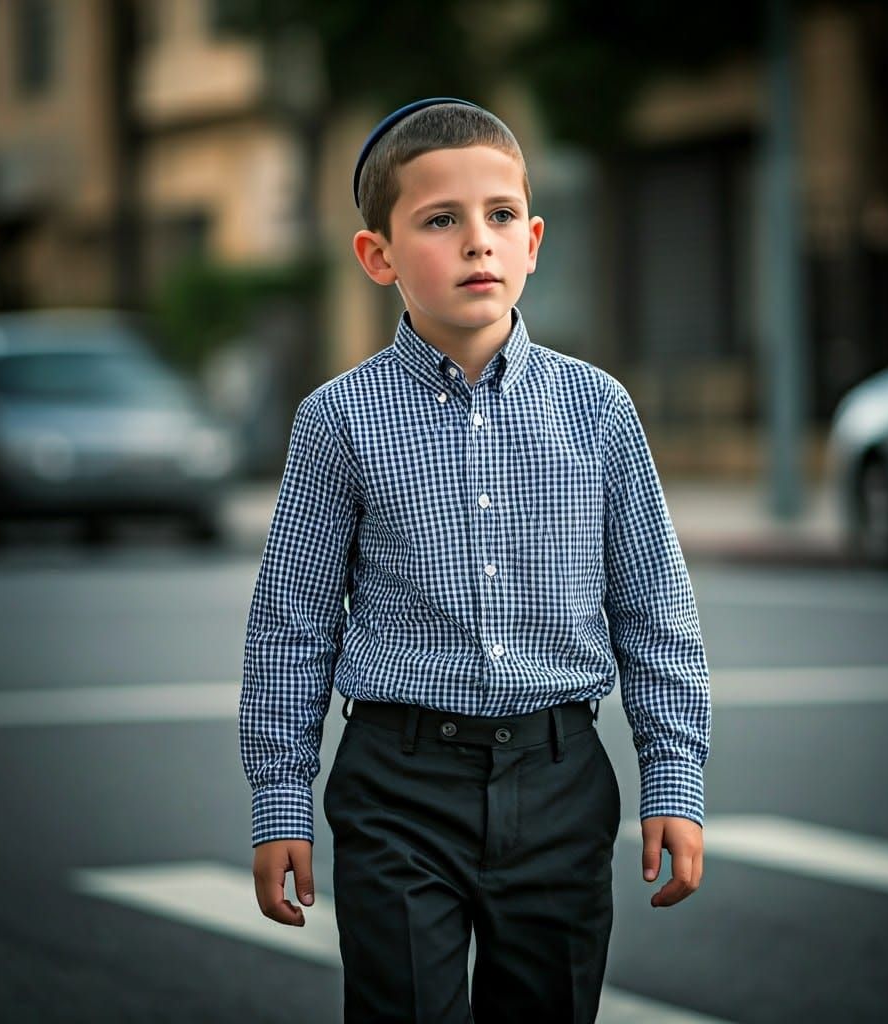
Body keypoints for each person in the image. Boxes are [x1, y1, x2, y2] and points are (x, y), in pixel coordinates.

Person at [239, 97, 711, 1023]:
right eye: (440, 220)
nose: (477, 243)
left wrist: (676, 780)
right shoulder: (338, 422)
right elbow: (290, 626)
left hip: (562, 777)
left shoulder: (599, 412)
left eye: (500, 217)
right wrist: (280, 800)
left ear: (533, 241)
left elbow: (655, 608)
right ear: (378, 256)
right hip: (397, 790)